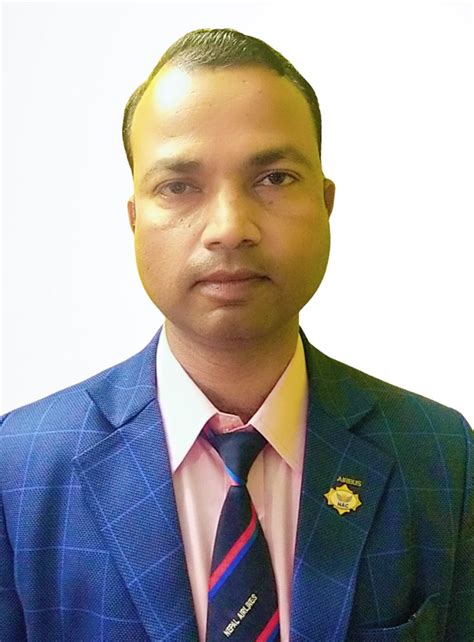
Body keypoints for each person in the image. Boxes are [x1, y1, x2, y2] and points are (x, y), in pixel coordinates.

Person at [0, 27, 472, 642]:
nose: (229, 227)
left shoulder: (441, 455)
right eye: (178, 186)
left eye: (274, 178)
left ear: (326, 203)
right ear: (135, 219)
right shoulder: (19, 467)